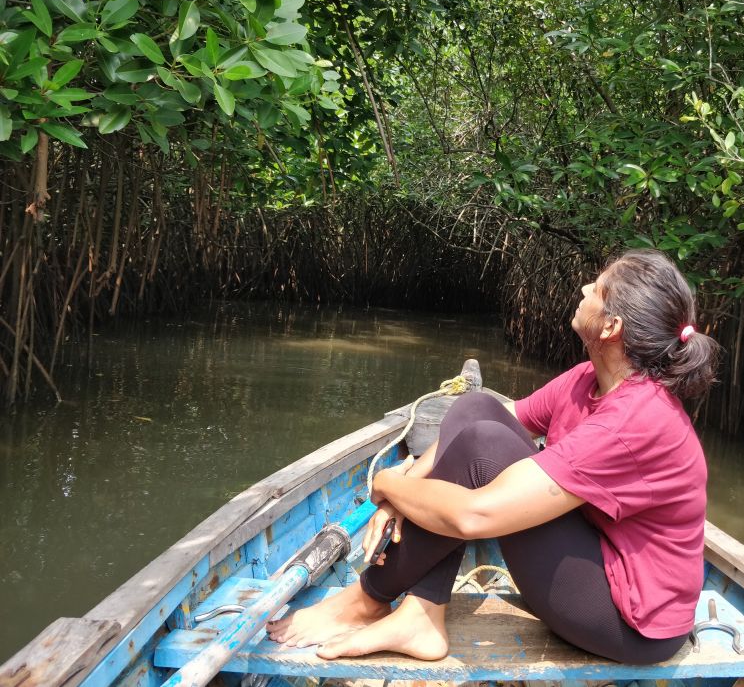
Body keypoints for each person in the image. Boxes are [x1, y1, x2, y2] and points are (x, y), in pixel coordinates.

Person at [265, 248, 719, 663]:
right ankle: (422, 614)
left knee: (484, 445)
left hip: (632, 624)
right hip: (598, 558)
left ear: (611, 327)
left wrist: (386, 484)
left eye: (596, 288)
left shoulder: (635, 420)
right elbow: (486, 419)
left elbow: (473, 517)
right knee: (475, 407)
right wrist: (403, 494)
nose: (583, 290)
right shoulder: (588, 379)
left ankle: (368, 599)